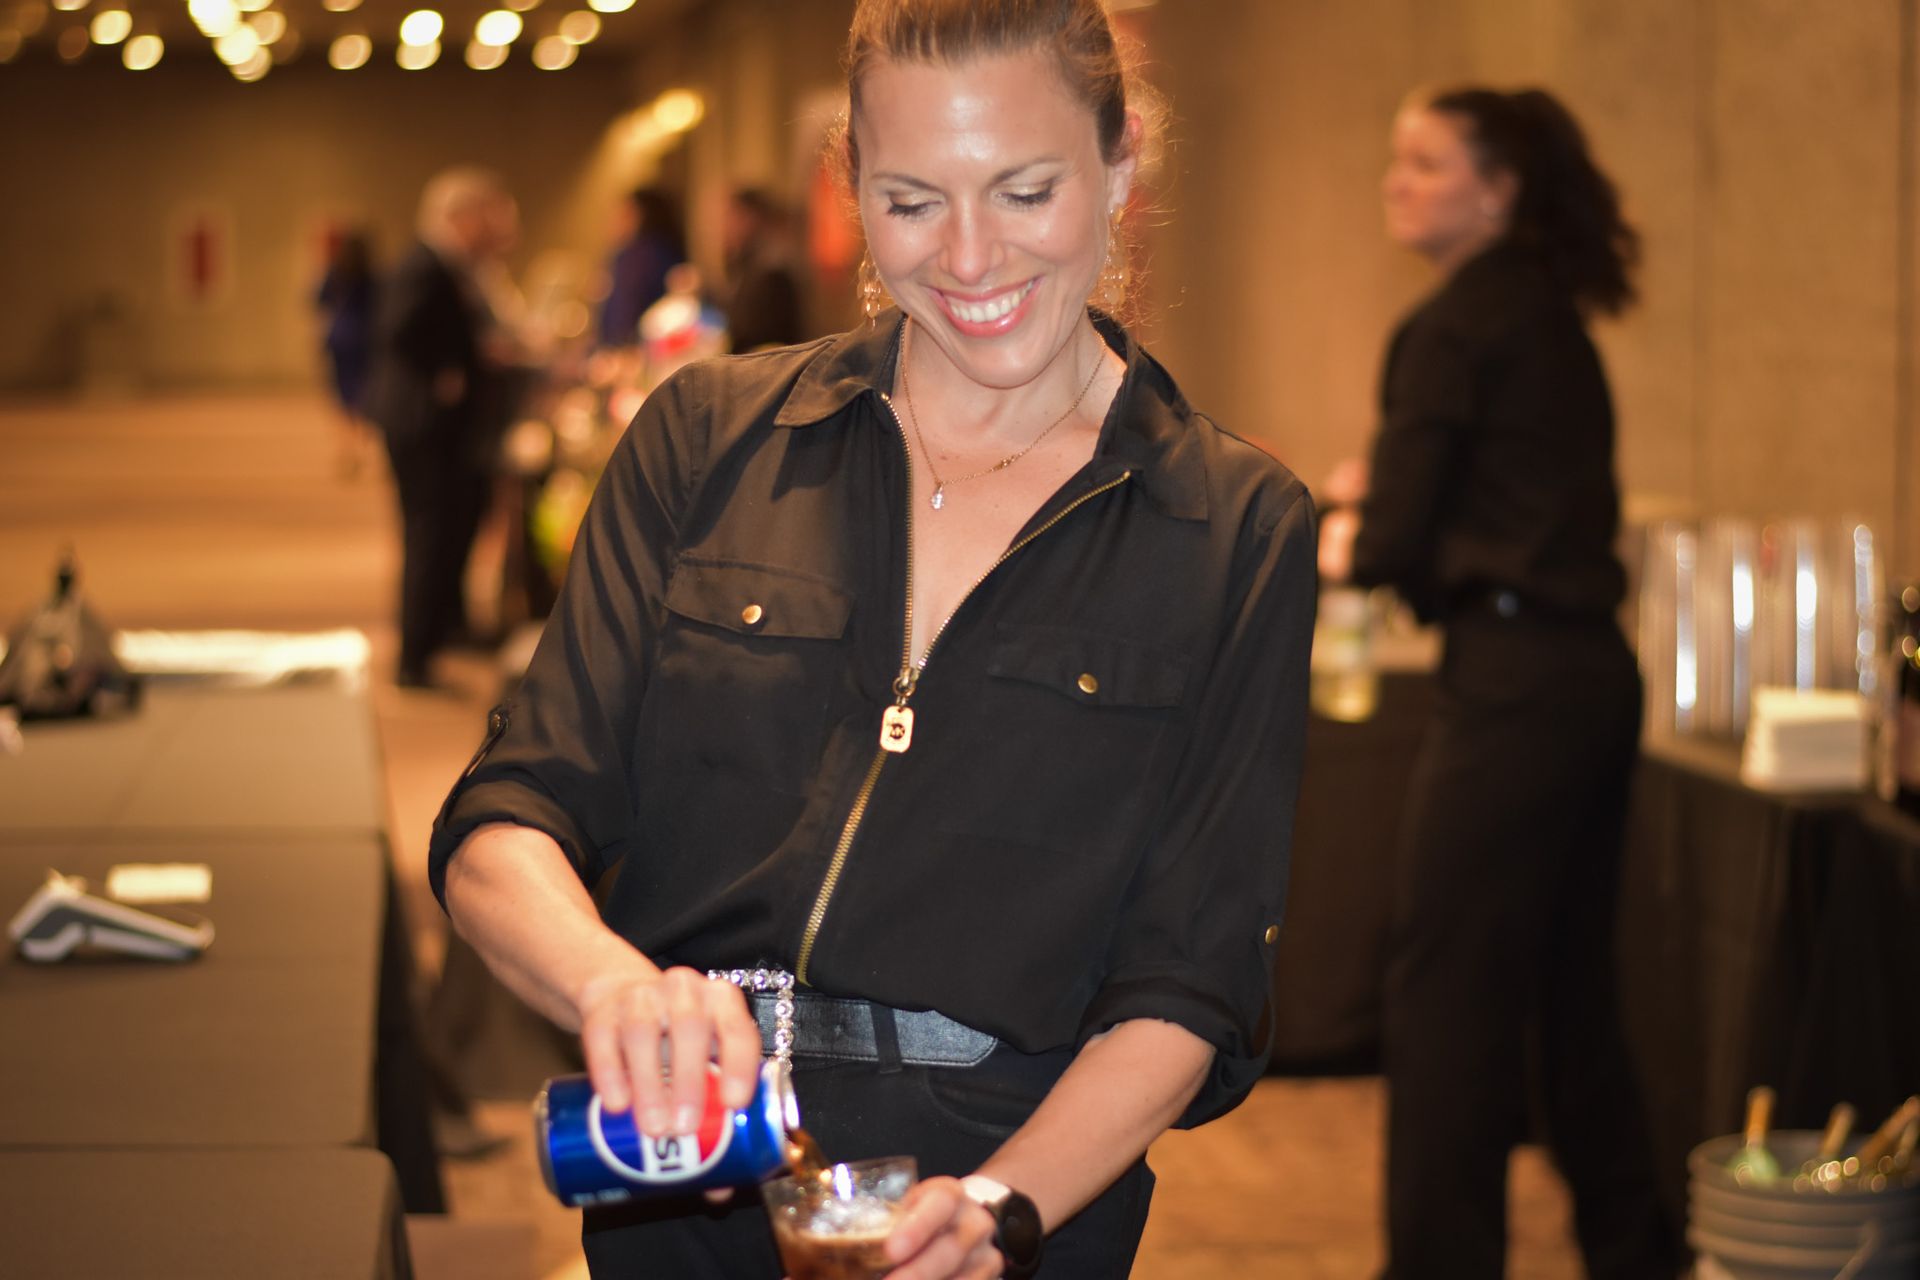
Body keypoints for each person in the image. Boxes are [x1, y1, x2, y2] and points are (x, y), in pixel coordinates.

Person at [427, 2, 1316, 1276]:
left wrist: (1005, 1205)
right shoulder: (707, 441)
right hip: (693, 1187)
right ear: (849, 188)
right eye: (912, 201)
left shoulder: (1232, 527)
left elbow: (1193, 979)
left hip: (1001, 1205)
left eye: (1023, 191)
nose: (968, 257)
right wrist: (608, 984)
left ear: (1122, 167)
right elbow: (507, 816)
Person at [1317, 87, 1683, 1279]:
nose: (1397, 181)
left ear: (1498, 188)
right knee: (1571, 993)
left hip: (1516, 687)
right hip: (1587, 678)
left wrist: (1348, 519)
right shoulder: (1545, 318)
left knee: (1447, 998)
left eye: (1424, 162)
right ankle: (1636, 1248)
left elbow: (1388, 548)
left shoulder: (1455, 327)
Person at [365, 166, 519, 688]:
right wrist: (448, 369)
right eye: (482, 216)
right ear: (458, 215)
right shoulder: (423, 263)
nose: (488, 227)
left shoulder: (447, 264)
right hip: (420, 424)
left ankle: (440, 631)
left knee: (447, 529)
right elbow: (400, 331)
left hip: (435, 425)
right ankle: (413, 657)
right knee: (426, 536)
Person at [314, 228, 378, 479]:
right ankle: (360, 445)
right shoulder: (372, 275)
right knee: (363, 393)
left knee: (341, 396)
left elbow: (318, 300)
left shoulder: (335, 273)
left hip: (340, 338)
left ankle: (346, 449)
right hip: (365, 339)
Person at [597, 186, 686, 350]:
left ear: (641, 215)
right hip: (648, 346)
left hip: (635, 349)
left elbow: (625, 313)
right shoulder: (668, 249)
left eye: (625, 214)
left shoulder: (641, 256)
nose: (615, 221)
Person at [721, 186, 806, 352]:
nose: (727, 227)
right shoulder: (747, 262)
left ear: (753, 218)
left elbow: (762, 335)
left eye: (734, 217)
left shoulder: (772, 270)